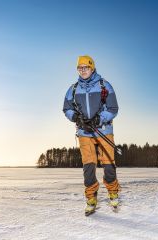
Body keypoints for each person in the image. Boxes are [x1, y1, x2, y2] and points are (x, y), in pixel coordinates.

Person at [63, 55, 120, 215]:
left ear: (92, 68)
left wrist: (99, 119)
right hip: (84, 133)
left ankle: (113, 191)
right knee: (88, 167)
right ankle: (91, 198)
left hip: (104, 132)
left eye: (86, 67)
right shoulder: (73, 89)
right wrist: (76, 117)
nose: (83, 70)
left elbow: (113, 108)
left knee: (108, 165)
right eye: (80, 68)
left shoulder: (104, 85)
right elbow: (67, 108)